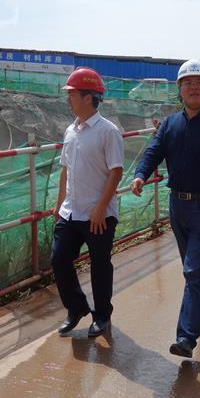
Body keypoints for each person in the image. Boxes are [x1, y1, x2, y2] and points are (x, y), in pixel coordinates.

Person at [130, 59, 200, 358]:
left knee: (192, 269)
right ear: (179, 89)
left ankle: (186, 337)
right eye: (188, 83)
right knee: (195, 269)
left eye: (199, 83)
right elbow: (153, 151)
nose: (194, 88)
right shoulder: (170, 124)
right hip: (177, 205)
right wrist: (140, 174)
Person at [52, 67, 124, 337]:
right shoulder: (70, 130)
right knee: (59, 259)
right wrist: (59, 204)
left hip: (98, 214)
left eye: (72, 94)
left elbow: (116, 171)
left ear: (88, 97)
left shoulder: (108, 131)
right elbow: (66, 169)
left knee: (100, 264)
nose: (68, 100)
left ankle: (102, 316)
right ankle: (77, 308)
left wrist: (100, 209)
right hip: (71, 212)